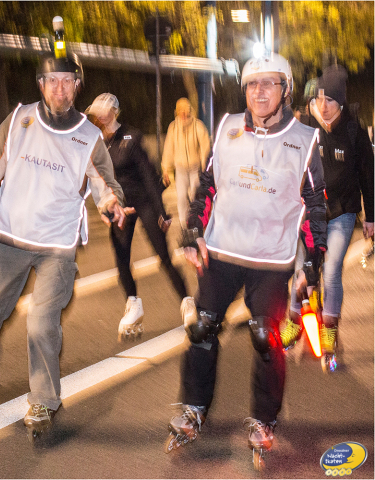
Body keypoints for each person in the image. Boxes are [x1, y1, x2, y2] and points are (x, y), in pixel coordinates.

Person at [0, 50, 131, 436]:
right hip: (8, 239)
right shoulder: (19, 121)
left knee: (42, 324)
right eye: (52, 81)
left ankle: (43, 399)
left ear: (77, 86)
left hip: (56, 248)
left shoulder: (88, 136)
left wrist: (112, 205)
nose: (59, 88)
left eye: (67, 81)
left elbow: (105, 185)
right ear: (41, 85)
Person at [164, 53, 327, 455]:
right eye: (253, 84)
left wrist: (311, 263)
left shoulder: (304, 140)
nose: (259, 92)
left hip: (271, 259)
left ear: (286, 90)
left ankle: (264, 417)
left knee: (266, 338)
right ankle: (194, 407)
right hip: (222, 250)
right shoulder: (228, 127)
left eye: (269, 83)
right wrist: (193, 230)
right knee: (202, 328)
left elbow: (315, 207)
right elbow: (207, 185)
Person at [280, 65, 374, 362]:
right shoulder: (305, 125)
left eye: (330, 100)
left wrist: (371, 217)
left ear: (341, 102)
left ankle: (329, 331)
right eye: (319, 98)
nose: (323, 105)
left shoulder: (354, 131)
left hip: (341, 213)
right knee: (301, 269)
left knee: (331, 270)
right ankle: (295, 322)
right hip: (309, 213)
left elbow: (369, 176)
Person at [86, 93, 188, 341]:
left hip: (144, 201)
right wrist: (105, 207)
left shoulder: (131, 137)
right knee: (121, 258)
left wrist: (161, 212)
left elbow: (148, 176)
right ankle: (133, 305)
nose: (99, 117)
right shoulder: (97, 143)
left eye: (103, 112)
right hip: (120, 206)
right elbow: (95, 179)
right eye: (96, 114)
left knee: (163, 256)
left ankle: (188, 303)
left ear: (114, 113)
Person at [161, 98, 211, 227]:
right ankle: (184, 224)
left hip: (195, 168)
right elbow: (168, 148)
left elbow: (205, 146)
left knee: (195, 194)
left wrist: (205, 165)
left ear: (189, 111)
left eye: (185, 110)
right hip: (180, 169)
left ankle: (195, 221)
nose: (183, 113)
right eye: (180, 110)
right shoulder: (173, 127)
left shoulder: (197, 125)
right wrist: (166, 168)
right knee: (182, 197)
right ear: (177, 112)